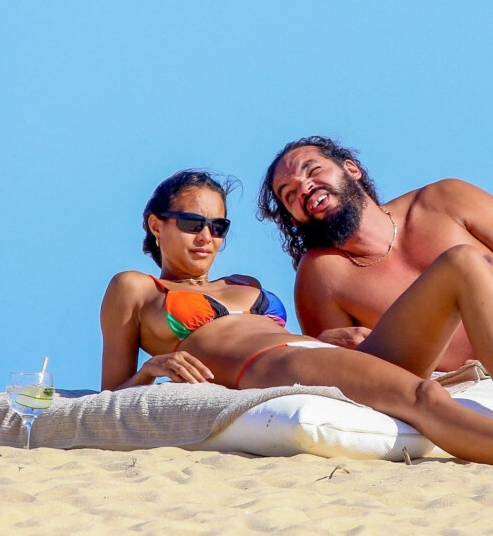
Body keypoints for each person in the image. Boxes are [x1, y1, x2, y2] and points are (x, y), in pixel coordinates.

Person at [101, 168, 493, 465]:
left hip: (318, 355)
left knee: (461, 262)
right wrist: (152, 369)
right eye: (191, 223)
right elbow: (110, 395)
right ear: (156, 225)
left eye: (218, 227)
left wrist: (330, 339)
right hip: (270, 365)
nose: (206, 237)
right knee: (424, 395)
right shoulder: (135, 287)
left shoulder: (243, 281)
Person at [257, 136, 493, 372]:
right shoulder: (321, 274)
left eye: (313, 170)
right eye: (290, 194)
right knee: (461, 261)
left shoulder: (444, 199)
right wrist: (326, 346)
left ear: (351, 169)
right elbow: (340, 374)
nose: (305, 188)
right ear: (295, 221)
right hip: (430, 378)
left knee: (462, 260)